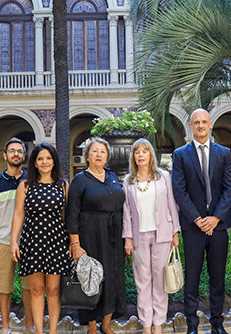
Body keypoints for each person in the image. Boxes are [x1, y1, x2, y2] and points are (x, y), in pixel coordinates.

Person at [172, 108, 231, 334]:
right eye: (196, 122)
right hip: (192, 228)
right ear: (191, 126)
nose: (200, 125)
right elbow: (179, 190)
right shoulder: (180, 154)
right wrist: (198, 219)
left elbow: (229, 189)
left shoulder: (224, 153)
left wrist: (215, 217)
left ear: (210, 125)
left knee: (217, 278)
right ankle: (192, 326)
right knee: (192, 279)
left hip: (218, 227)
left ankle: (217, 324)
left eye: (204, 122)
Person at [66, 137, 126, 334]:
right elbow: (72, 213)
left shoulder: (113, 176)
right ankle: (92, 325)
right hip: (90, 236)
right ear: (87, 157)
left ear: (107, 156)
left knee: (113, 278)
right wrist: (75, 244)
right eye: (94, 151)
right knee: (91, 278)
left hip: (114, 237)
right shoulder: (80, 180)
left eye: (102, 151)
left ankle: (106, 323)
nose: (98, 154)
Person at [9, 143, 70, 334]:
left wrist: (72, 243)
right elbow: (18, 215)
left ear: (54, 162)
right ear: (35, 163)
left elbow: (67, 216)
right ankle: (38, 331)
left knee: (53, 289)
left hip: (57, 241)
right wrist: (13, 242)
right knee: (36, 289)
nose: (45, 162)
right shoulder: (25, 185)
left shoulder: (63, 185)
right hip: (32, 241)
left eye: (48, 158)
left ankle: (52, 331)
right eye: (40, 159)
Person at [122, 138, 181, 334]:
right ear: (133, 156)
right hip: (138, 239)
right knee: (142, 282)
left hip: (162, 235)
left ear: (150, 155)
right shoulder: (128, 181)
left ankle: (158, 325)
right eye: (137, 151)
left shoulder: (163, 176)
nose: (140, 154)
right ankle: (146, 326)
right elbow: (126, 211)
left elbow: (171, 204)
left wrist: (175, 231)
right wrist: (128, 238)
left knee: (160, 281)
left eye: (144, 151)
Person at [0, 138, 34, 334]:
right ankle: (5, 325)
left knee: (29, 287)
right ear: (5, 155)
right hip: (4, 241)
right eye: (12, 151)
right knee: (4, 287)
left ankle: (29, 324)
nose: (16, 154)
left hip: (29, 241)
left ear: (24, 156)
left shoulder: (32, 180)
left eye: (20, 151)